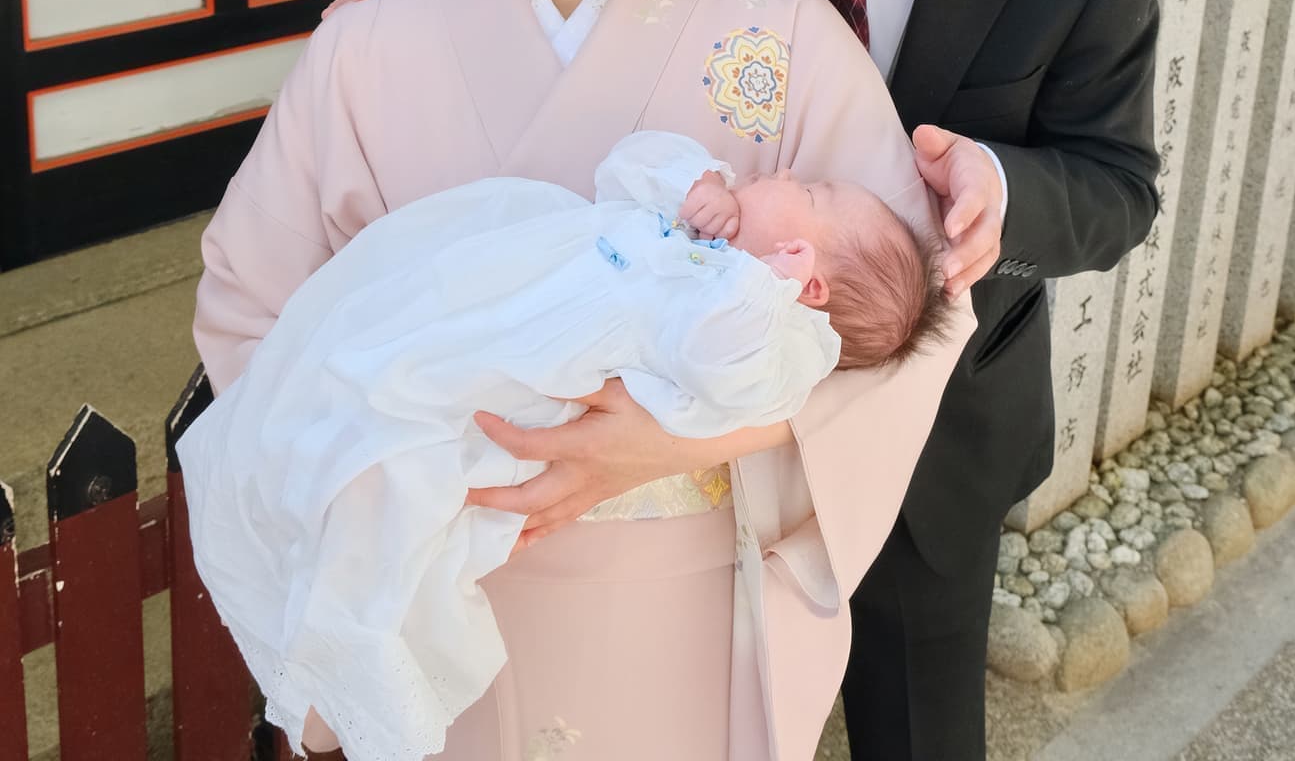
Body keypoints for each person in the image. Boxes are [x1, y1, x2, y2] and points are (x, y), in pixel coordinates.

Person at [346, 0, 1161, 758]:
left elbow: (1117, 186)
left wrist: (1000, 185)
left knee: (918, 726)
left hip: (921, 427)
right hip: (668, 429)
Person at [193, 0, 978, 761]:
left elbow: (904, 319)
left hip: (680, 596)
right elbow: (251, 313)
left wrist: (692, 440)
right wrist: (372, 491)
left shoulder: (787, 36)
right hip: (424, 595)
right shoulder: (374, 40)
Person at [181, 131, 950, 761]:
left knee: (402, 454)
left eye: (811, 195)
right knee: (386, 364)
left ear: (806, 280)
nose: (787, 171)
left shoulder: (779, 338)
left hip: (547, 383)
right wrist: (701, 186)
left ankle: (353, 634)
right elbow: (623, 165)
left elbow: (729, 372)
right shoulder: (697, 236)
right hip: (518, 288)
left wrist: (759, 289)